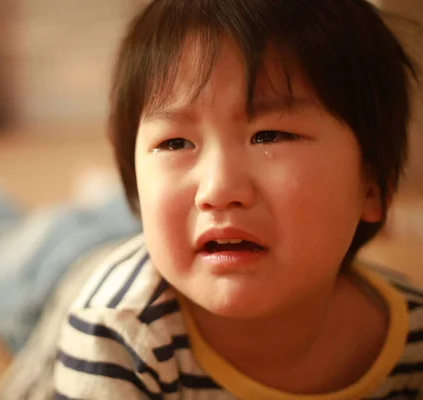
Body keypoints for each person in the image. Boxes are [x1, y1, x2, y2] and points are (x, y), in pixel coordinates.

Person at [54, 0, 423, 398]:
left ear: (372, 185)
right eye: (175, 142)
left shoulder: (411, 337)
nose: (218, 190)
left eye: (269, 137)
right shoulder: (117, 332)